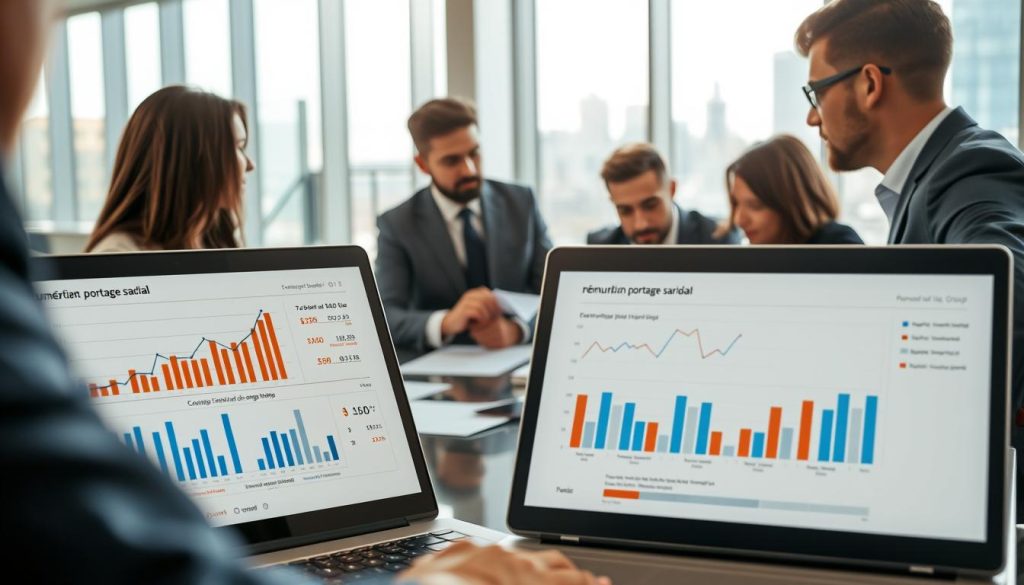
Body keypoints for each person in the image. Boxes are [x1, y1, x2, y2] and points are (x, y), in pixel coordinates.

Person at [0, 2, 606, 583]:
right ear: (200, 160)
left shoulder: (218, 255)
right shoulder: (113, 274)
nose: (249, 167)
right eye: (239, 148)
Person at [795, 0, 1024, 514]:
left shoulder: (972, 169)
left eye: (816, 92)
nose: (812, 116)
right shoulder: (931, 176)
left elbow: (1008, 293)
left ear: (869, 84)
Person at [376, 98, 552, 356]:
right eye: (452, 161)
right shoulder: (398, 224)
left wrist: (517, 330)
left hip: (516, 357)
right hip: (438, 364)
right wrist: (445, 322)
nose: (469, 169)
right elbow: (385, 316)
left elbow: (556, 295)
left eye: (474, 153)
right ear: (423, 165)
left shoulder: (521, 203)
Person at [84, 85, 254, 252]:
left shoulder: (218, 236)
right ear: (192, 159)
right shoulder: (118, 255)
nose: (250, 165)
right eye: (238, 147)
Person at [587, 143, 739, 246]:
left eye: (650, 205)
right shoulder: (600, 247)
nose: (641, 224)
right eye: (625, 211)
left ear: (671, 189)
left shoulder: (718, 240)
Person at [720, 135, 862, 245]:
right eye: (735, 203)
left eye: (755, 206)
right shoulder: (763, 252)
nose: (739, 220)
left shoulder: (839, 245)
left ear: (794, 200)